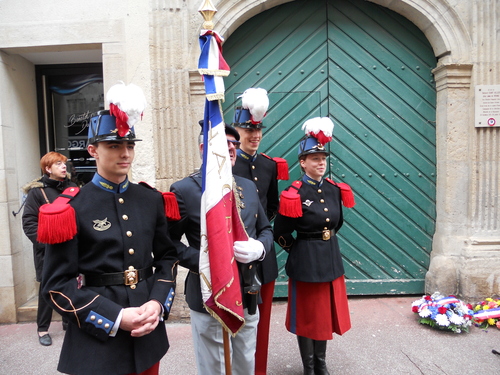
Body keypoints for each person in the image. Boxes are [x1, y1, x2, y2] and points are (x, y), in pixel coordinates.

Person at [40, 82, 178, 375]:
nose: (125, 153)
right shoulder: (71, 208)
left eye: (129, 145)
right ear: (93, 150)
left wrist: (157, 302)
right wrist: (115, 317)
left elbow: (167, 258)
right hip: (97, 333)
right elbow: (56, 285)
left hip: (147, 327)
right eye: (114, 145)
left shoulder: (150, 199)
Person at [169, 122, 273, 375]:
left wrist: (259, 248)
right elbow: (168, 244)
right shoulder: (183, 190)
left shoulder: (247, 186)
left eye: (234, 145)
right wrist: (207, 261)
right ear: (204, 148)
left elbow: (266, 230)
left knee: (245, 362)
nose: (231, 149)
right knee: (214, 366)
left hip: (246, 289)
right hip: (208, 292)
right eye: (222, 144)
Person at [273, 117, 355, 375]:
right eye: (314, 159)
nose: (321, 163)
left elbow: (335, 224)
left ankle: (321, 363)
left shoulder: (333, 189)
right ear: (302, 162)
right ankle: (309, 367)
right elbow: (281, 233)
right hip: (306, 262)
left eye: (323, 159)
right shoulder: (293, 193)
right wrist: (300, 250)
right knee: (308, 316)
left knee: (325, 315)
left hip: (330, 260)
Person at [231, 88, 289, 375]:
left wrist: (260, 237)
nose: (254, 135)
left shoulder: (268, 165)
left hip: (262, 256)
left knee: (261, 322)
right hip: (235, 256)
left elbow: (273, 205)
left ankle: (259, 370)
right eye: (247, 130)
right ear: (236, 131)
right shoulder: (227, 163)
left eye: (258, 130)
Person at [22, 152, 77, 346]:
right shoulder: (37, 192)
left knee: (71, 285)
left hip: (71, 248)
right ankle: (42, 329)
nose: (64, 167)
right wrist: (46, 242)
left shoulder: (72, 188)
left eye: (65, 164)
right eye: (58, 164)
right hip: (48, 250)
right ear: (47, 169)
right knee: (47, 289)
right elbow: (29, 222)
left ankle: (67, 321)